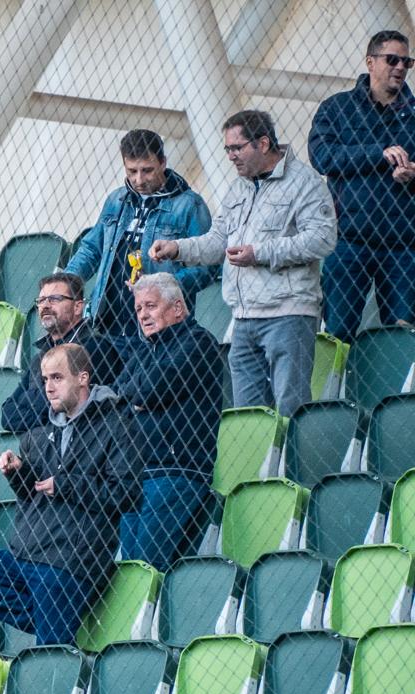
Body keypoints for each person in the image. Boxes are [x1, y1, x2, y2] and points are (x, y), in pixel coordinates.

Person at [0, 344, 140, 646]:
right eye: (45, 379)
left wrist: (65, 485)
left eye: (57, 378)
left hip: (70, 559)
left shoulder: (115, 426)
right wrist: (18, 472)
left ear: (83, 378)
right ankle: (51, 623)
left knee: (49, 652)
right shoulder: (38, 433)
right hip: (25, 552)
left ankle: (56, 633)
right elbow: (29, 493)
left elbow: (127, 494)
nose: (48, 387)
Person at [151, 110, 338, 419]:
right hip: (243, 316)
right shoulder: (238, 187)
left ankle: (290, 454)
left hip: (288, 314)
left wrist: (260, 253)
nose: (230, 156)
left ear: (262, 143)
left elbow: (322, 239)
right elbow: (217, 241)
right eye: (227, 149)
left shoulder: (305, 182)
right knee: (248, 416)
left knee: (290, 409)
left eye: (236, 148)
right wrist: (177, 248)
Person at [113, 273, 229, 570]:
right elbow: (117, 397)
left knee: (147, 564)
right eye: (138, 309)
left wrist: (138, 396)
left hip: (175, 470)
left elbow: (153, 388)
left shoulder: (198, 342)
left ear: (177, 307)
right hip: (136, 473)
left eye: (150, 306)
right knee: (131, 568)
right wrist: (137, 396)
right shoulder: (145, 350)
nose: (143, 315)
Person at [309, 30, 415, 341]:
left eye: (407, 62)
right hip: (348, 240)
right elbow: (322, 156)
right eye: (392, 59)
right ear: (370, 62)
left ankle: (401, 377)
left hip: (404, 243)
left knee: (403, 333)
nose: (400, 67)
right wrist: (379, 154)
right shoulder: (337, 108)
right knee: (337, 333)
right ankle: (333, 376)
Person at [63, 129, 216, 341]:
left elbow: (209, 265)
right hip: (106, 324)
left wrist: (163, 285)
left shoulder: (190, 205)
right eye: (132, 171)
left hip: (160, 329)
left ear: (163, 162)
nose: (139, 180)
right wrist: (65, 284)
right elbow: (91, 249)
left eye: (147, 170)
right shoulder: (116, 200)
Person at [0, 273, 126, 436]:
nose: (45, 305)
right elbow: (8, 416)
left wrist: (29, 400)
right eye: (41, 300)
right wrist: (46, 408)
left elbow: (68, 404)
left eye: (54, 299)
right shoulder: (40, 358)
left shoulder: (94, 347)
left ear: (77, 307)